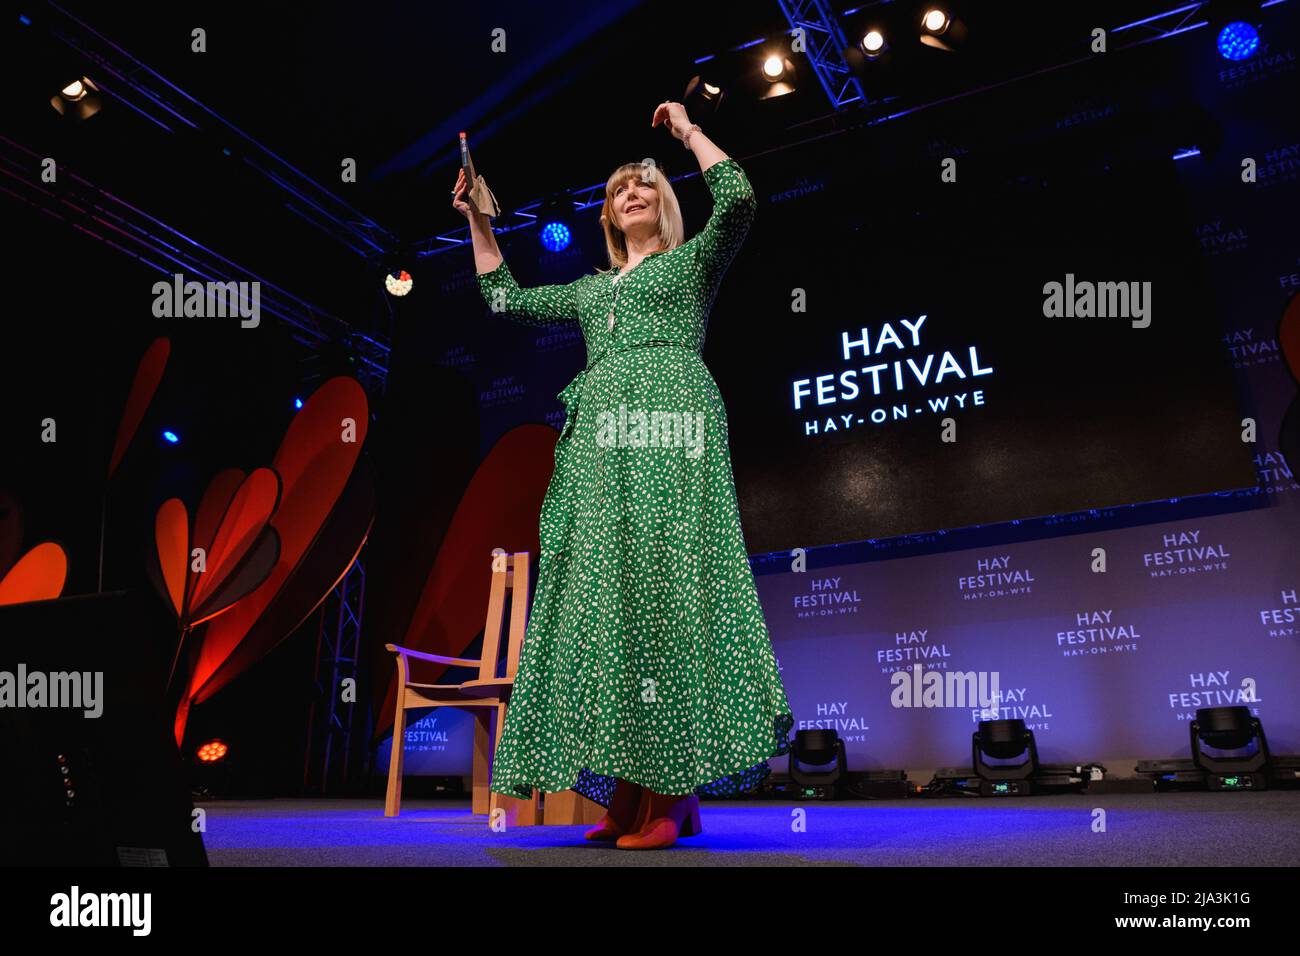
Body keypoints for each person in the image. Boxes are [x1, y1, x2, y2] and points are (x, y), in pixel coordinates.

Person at [452, 101, 793, 850]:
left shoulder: (690, 263)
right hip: (599, 444)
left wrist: (686, 133)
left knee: (664, 590)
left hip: (672, 425)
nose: (630, 192)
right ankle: (633, 789)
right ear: (606, 215)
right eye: (617, 190)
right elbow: (502, 298)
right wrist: (480, 218)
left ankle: (671, 791)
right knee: (610, 603)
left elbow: (738, 199)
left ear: (664, 204)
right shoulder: (589, 290)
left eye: (644, 184)